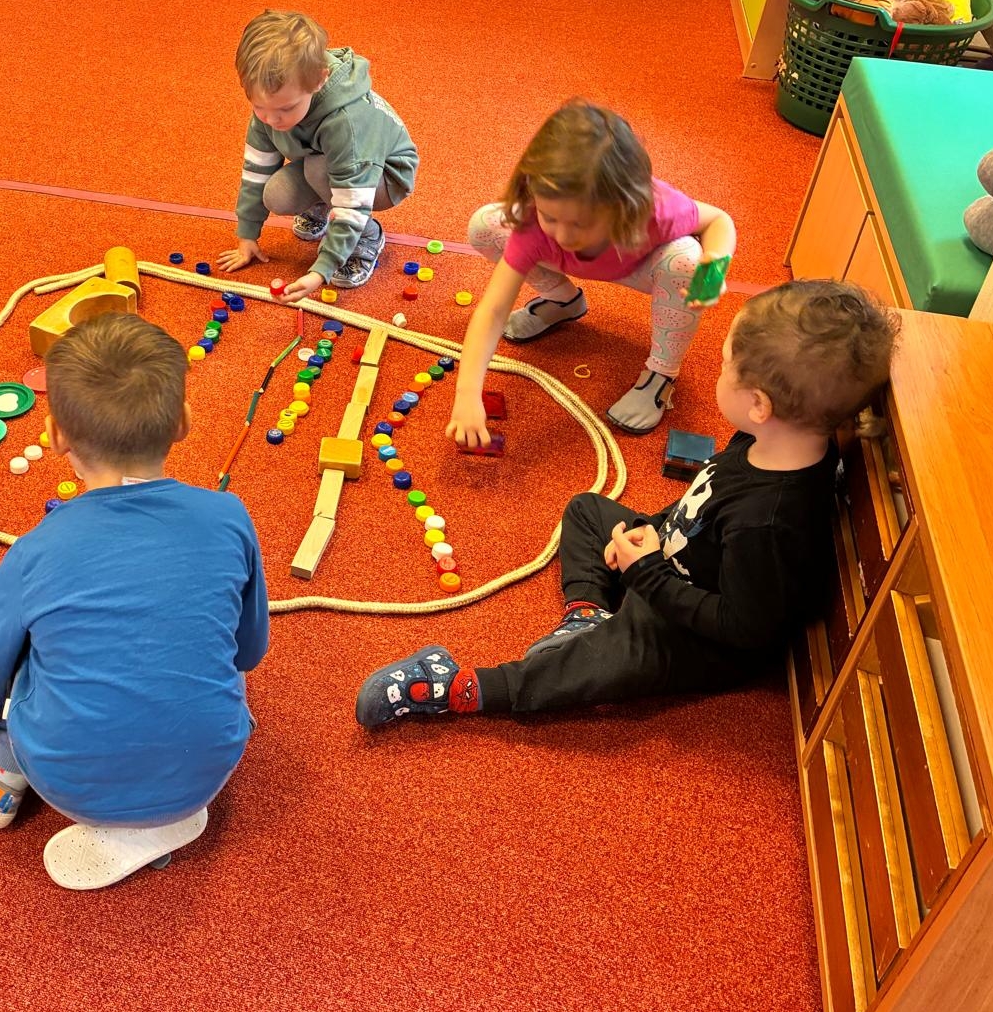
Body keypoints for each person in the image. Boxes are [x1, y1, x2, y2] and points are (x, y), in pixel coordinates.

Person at [356, 279, 899, 726]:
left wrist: (646, 573)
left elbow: (740, 628)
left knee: (594, 664)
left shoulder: (770, 523)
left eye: (726, 363)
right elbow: (701, 507)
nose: (718, 368)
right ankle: (586, 613)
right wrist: (655, 532)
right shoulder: (766, 440)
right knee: (587, 511)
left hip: (693, 634)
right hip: (670, 565)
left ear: (759, 404)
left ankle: (458, 689)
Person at [0, 313, 270, 890]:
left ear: (55, 435)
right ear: (183, 421)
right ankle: (162, 792)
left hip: (67, 783)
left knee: (24, 658)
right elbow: (248, 651)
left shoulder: (34, 552)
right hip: (208, 769)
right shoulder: (229, 516)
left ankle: (2, 767)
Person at [448, 100, 737, 436]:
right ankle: (563, 301)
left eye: (580, 223)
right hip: (574, 259)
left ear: (623, 207)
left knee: (687, 260)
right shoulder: (534, 225)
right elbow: (494, 309)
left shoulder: (656, 209)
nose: (563, 235)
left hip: (640, 265)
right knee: (485, 225)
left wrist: (714, 268)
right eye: (550, 216)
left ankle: (661, 373)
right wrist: (467, 393)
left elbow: (718, 220)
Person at [217, 10, 418, 303]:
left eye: (286, 108)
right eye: (259, 107)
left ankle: (367, 235)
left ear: (320, 80)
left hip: (384, 175)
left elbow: (352, 198)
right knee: (277, 194)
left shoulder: (346, 122)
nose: (271, 119)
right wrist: (247, 236)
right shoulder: (272, 107)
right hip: (326, 160)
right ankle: (323, 205)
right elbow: (256, 170)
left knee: (318, 169)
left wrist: (322, 270)